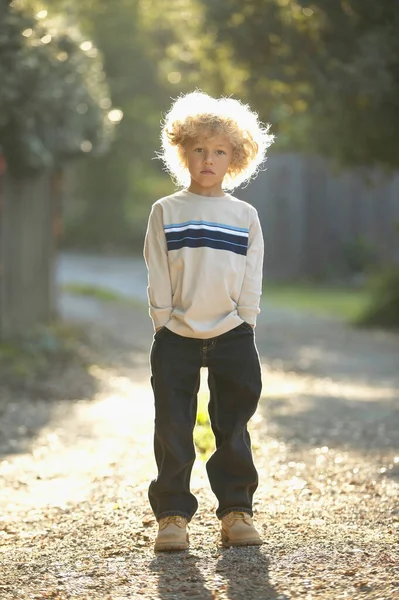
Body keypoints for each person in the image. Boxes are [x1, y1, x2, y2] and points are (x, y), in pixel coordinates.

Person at [143, 90, 274, 552]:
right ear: (183, 153)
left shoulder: (244, 216)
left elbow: (251, 273)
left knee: (233, 426)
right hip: (176, 336)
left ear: (234, 159)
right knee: (173, 427)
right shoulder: (167, 211)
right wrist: (163, 321)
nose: (208, 159)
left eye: (219, 151)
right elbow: (158, 270)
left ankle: (237, 511)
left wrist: (247, 319)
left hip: (232, 334)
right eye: (198, 149)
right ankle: (172, 518)